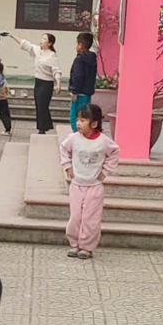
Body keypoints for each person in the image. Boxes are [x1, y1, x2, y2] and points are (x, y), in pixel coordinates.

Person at [58, 101, 119, 259]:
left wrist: (105, 171)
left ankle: (86, 247)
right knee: (75, 216)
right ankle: (74, 244)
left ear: (94, 124)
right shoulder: (73, 138)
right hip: (76, 185)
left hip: (94, 187)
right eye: (78, 119)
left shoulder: (103, 141)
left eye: (83, 120)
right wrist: (67, 166)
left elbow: (114, 153)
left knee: (90, 218)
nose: (78, 123)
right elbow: (64, 149)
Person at [67, 30, 98, 131]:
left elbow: (77, 76)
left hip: (79, 93)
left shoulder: (79, 59)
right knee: (85, 116)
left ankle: (78, 135)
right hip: (87, 92)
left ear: (80, 45)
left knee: (75, 116)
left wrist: (74, 91)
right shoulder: (92, 58)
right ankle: (84, 133)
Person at [30, 32, 60, 135]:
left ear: (50, 43)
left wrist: (58, 83)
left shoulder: (52, 55)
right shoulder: (38, 51)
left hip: (46, 83)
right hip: (38, 81)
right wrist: (12, 36)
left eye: (44, 39)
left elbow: (56, 70)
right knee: (39, 105)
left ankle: (42, 129)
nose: (41, 40)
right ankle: (46, 125)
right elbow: (26, 44)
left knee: (42, 105)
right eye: (42, 38)